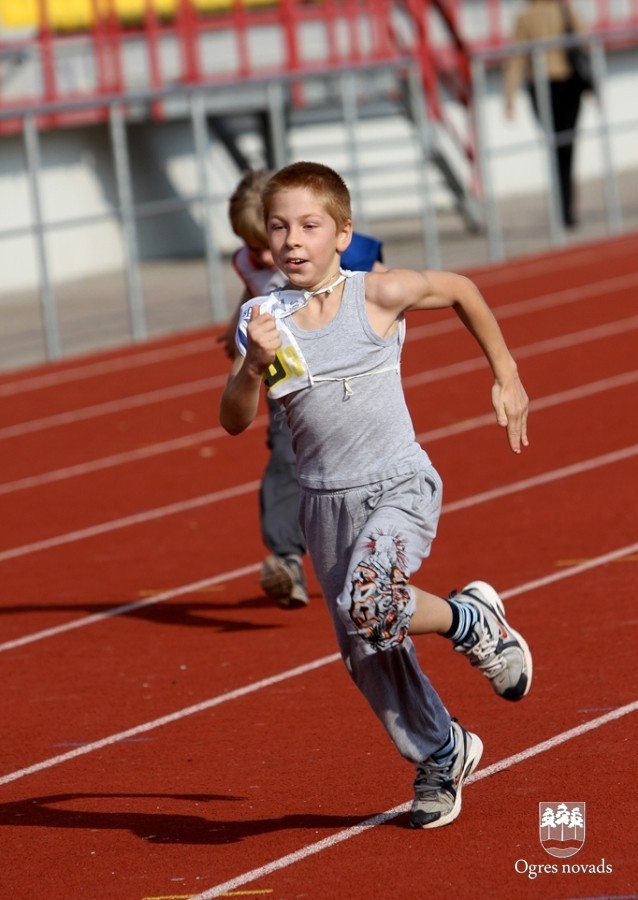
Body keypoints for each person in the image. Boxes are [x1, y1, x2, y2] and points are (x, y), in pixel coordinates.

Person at [219, 161, 532, 829]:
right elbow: (234, 418)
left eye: (309, 225)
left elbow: (460, 289)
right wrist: (250, 363)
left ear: (342, 233)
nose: (292, 240)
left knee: (372, 598)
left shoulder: (379, 294)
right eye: (279, 227)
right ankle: (444, 751)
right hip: (323, 502)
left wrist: (506, 374)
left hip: (397, 483)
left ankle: (471, 622)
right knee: (370, 649)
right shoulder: (262, 317)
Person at [221, 168, 385, 609]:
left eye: (266, 239)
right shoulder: (247, 260)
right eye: (256, 244)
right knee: (284, 456)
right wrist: (236, 330)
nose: (265, 253)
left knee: (342, 463)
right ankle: (286, 556)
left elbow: (380, 280)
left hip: (344, 370)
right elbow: (253, 293)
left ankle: (366, 552)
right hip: (288, 369)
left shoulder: (325, 238)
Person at [503, 0, 589, 228]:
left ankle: (564, 209)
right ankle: (567, 210)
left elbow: (516, 59)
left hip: (542, 88)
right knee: (567, 149)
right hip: (568, 85)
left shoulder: (526, 16)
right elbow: (585, 46)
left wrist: (509, 99)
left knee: (556, 149)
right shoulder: (565, 10)